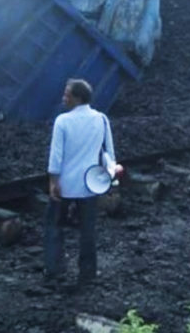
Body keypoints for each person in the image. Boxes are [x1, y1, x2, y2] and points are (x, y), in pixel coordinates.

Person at [44, 78, 116, 289]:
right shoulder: (101, 119)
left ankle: (54, 269)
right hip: (90, 184)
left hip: (65, 184)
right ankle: (87, 272)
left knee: (55, 226)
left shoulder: (62, 121)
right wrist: (108, 179)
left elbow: (56, 156)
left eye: (67, 94)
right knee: (88, 230)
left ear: (77, 97)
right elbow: (109, 153)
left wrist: (53, 181)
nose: (63, 98)